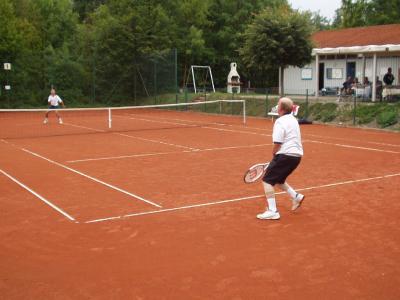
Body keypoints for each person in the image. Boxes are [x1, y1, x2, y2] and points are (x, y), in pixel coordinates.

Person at [257, 97, 304, 220]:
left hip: (286, 155)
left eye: (278, 105)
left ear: (281, 109)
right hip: (296, 157)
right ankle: (296, 197)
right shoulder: (293, 119)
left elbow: (278, 143)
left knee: (267, 180)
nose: (277, 107)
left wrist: (274, 155)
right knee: (279, 180)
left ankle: (273, 211)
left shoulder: (280, 121)